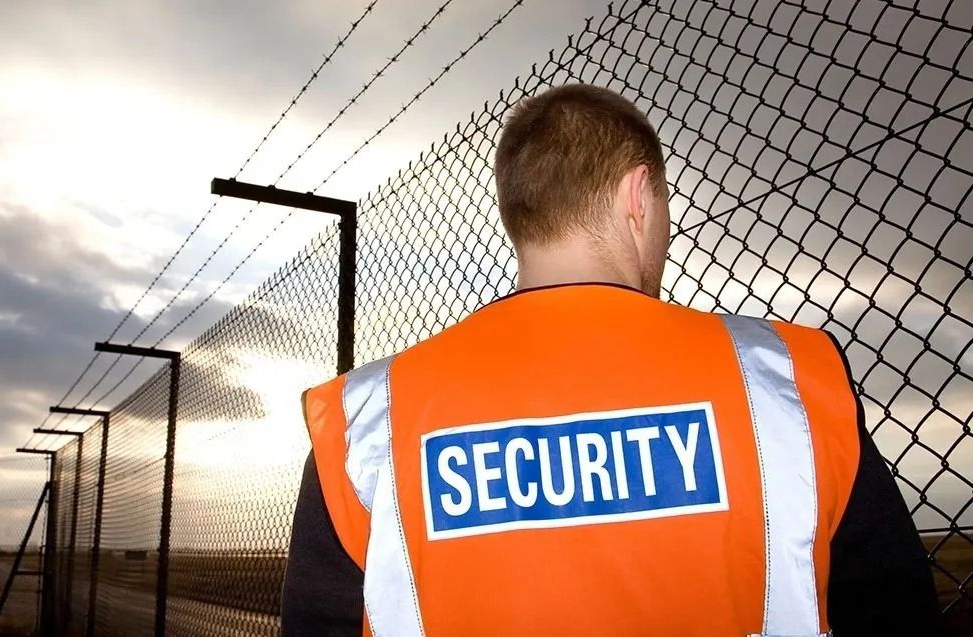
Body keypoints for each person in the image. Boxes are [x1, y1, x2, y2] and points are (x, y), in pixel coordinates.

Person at [281, 83, 941, 636]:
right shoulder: (790, 377)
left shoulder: (363, 422)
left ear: (521, 214)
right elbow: (896, 608)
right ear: (637, 196)